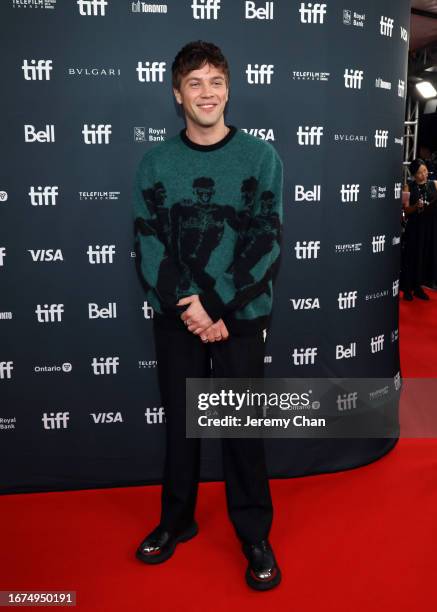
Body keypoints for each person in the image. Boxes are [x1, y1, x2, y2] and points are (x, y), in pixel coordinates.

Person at [132, 40, 283, 591]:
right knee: (182, 425)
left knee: (242, 430)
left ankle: (254, 533)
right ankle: (176, 521)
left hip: (238, 314)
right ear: (177, 95)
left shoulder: (263, 158)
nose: (207, 92)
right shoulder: (154, 163)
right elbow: (149, 245)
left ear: (229, 89)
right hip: (178, 317)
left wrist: (216, 304)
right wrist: (193, 308)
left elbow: (266, 240)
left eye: (216, 80)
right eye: (194, 82)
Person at [400, 158, 437, 301]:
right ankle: (408, 288)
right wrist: (416, 206)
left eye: (425, 171)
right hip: (415, 228)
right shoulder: (408, 187)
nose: (424, 174)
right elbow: (406, 211)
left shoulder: (433, 184)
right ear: (414, 174)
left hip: (430, 227)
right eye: (421, 172)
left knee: (424, 256)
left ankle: (418, 287)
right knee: (412, 257)